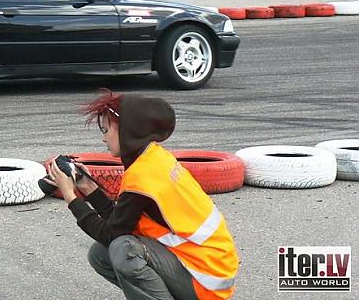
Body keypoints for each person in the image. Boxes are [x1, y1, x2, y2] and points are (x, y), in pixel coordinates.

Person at [46, 90, 239, 300]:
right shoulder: (152, 157)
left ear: (127, 130)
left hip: (206, 279)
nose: (103, 138)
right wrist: (86, 186)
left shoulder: (143, 176)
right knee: (101, 254)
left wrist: (70, 197)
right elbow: (120, 222)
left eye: (105, 128)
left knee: (124, 249)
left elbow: (111, 234)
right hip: (202, 264)